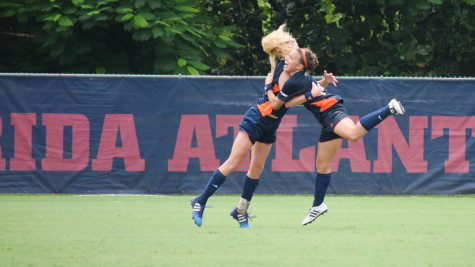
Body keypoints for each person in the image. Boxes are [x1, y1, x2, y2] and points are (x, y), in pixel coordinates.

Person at [190, 25, 336, 228]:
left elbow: (309, 87)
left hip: (271, 124)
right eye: (290, 47)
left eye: (293, 51)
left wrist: (324, 82)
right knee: (234, 161)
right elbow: (278, 103)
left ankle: (241, 211)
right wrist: (268, 87)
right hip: (256, 118)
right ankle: (200, 201)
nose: (292, 48)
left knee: (257, 167)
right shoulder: (284, 70)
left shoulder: (298, 75)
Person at [275, 51, 406, 226]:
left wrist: (270, 87)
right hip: (326, 116)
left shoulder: (293, 81)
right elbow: (312, 89)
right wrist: (324, 82)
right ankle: (317, 205)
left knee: (353, 135)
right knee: (322, 164)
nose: (286, 60)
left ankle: (389, 109)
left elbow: (284, 104)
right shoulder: (301, 77)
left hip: (330, 111)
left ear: (299, 66)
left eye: (290, 58)